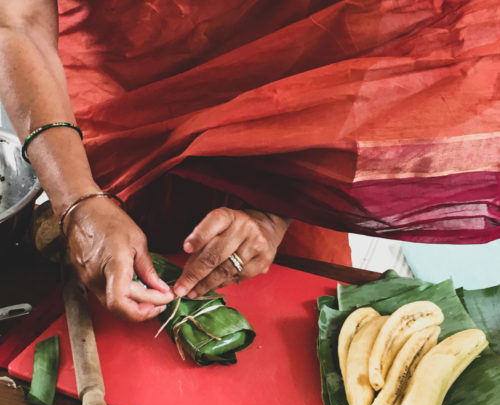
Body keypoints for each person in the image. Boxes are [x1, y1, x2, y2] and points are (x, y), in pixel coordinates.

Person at [1, 1, 499, 322]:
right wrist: (77, 199)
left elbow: (393, 29)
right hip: (118, 141)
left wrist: (275, 209)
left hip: (299, 158)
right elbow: (17, 21)